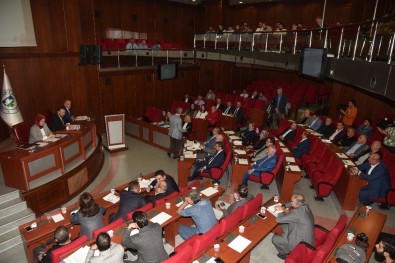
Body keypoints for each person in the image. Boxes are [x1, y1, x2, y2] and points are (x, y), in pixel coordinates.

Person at [272, 194, 315, 259]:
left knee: (274, 239)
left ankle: (285, 254)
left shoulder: (297, 213)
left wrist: (281, 210)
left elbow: (278, 220)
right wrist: (283, 206)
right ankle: (285, 237)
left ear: (295, 203)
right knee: (284, 222)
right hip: (304, 236)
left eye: (291, 200)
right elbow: (290, 206)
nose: (290, 202)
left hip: (300, 243)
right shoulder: (305, 206)